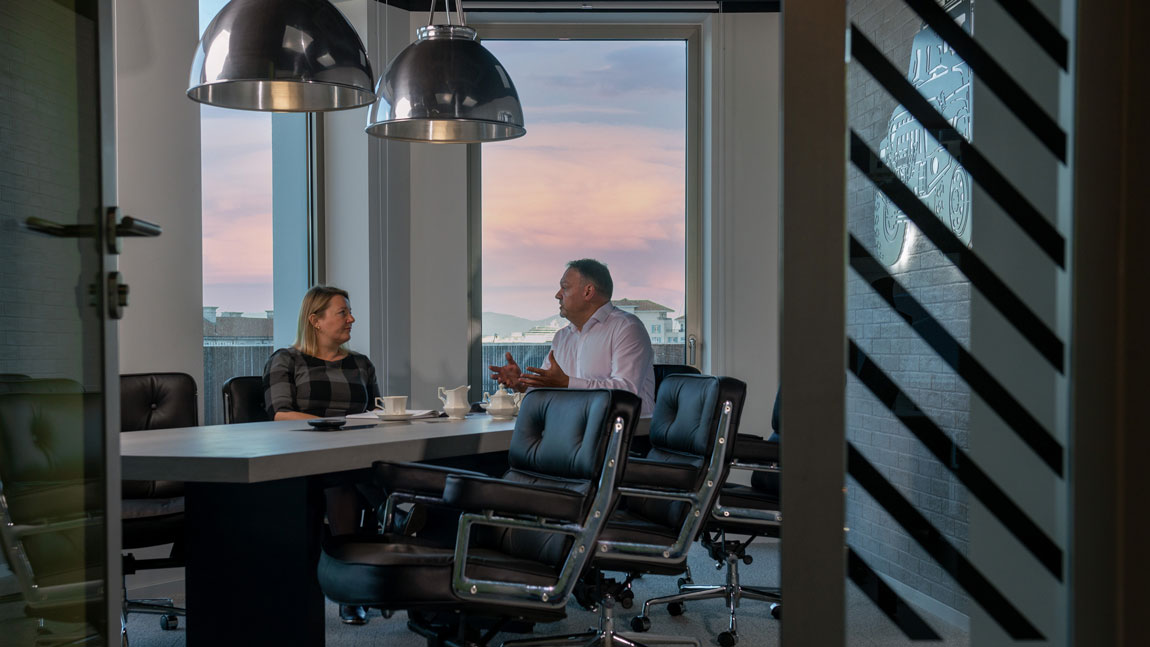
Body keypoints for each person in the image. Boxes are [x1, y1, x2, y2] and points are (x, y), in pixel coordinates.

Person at [262, 285, 379, 626]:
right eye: (343, 312)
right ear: (315, 320)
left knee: (379, 472)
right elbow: (280, 415)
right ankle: (349, 590)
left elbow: (375, 412)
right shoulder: (286, 360)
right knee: (341, 479)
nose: (351, 319)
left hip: (357, 452)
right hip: (303, 458)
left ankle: (394, 527)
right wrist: (336, 426)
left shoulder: (360, 364)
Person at [489, 259, 656, 416]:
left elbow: (625, 392)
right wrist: (522, 384)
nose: (558, 295)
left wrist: (567, 383)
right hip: (572, 429)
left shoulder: (627, 328)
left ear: (588, 291)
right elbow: (550, 384)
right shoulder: (562, 337)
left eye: (565, 288)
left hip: (624, 434)